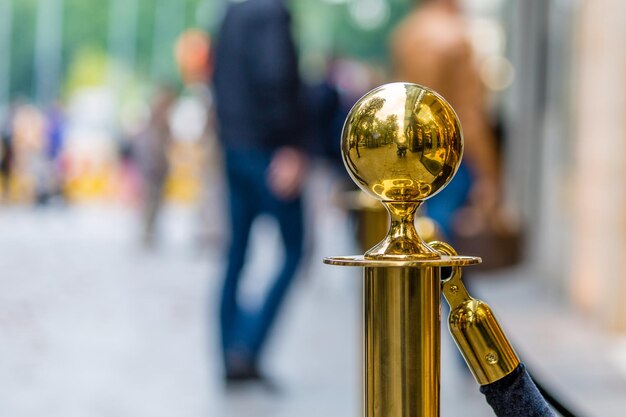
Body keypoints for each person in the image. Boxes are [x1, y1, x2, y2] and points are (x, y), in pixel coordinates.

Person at [212, 0, 307, 383]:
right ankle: (247, 347)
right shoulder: (270, 12)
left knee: (236, 254)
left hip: (235, 148)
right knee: (295, 248)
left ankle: (231, 351)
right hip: (268, 150)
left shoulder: (231, 12)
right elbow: (275, 76)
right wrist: (291, 145)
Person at [391, 0, 501, 238]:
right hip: (452, 154)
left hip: (410, 149)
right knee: (442, 236)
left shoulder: (406, 33)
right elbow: (469, 113)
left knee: (418, 227)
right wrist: (488, 172)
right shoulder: (456, 38)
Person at [134, 86, 176, 248]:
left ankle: (149, 233)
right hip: (153, 164)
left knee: (154, 201)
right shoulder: (158, 117)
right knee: (151, 201)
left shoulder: (161, 116)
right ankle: (147, 234)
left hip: (157, 164)